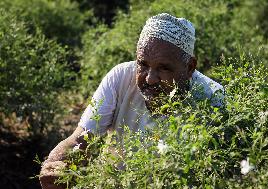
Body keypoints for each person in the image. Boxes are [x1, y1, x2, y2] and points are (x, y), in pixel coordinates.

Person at [39, 13, 224, 189]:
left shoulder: (211, 97)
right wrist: (56, 164)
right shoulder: (120, 78)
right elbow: (81, 138)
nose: (150, 78)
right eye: (142, 64)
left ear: (189, 67)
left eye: (164, 68)